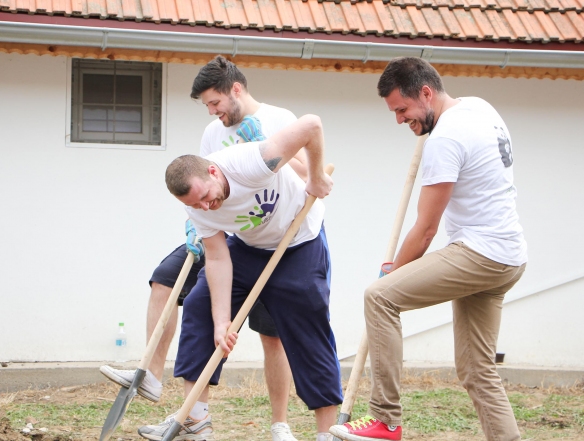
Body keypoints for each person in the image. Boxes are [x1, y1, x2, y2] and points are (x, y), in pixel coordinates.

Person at [99, 55, 308, 441]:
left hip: (269, 236)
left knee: (271, 334)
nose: (212, 112)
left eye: (215, 103)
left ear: (236, 90)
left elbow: (310, 176)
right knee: (166, 280)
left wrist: (263, 145)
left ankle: (280, 422)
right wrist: (193, 224)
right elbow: (198, 175)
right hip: (220, 235)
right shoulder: (214, 131)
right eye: (207, 106)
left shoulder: (280, 119)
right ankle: (158, 380)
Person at [329, 57, 528, 441]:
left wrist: (394, 270)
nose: (400, 121)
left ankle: (385, 420)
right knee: (477, 369)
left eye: (403, 110)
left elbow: (425, 230)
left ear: (426, 93)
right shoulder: (479, 107)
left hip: (481, 253)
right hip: (508, 254)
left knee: (379, 297)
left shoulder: (446, 137)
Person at [137, 114, 341, 441]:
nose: (205, 206)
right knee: (200, 304)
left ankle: (326, 432)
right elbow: (217, 258)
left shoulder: (252, 162)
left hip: (300, 242)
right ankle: (196, 418)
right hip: (248, 247)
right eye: (196, 205)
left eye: (205, 196)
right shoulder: (196, 206)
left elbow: (312, 125)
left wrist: (315, 177)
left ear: (214, 171)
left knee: (309, 325)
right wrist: (221, 322)